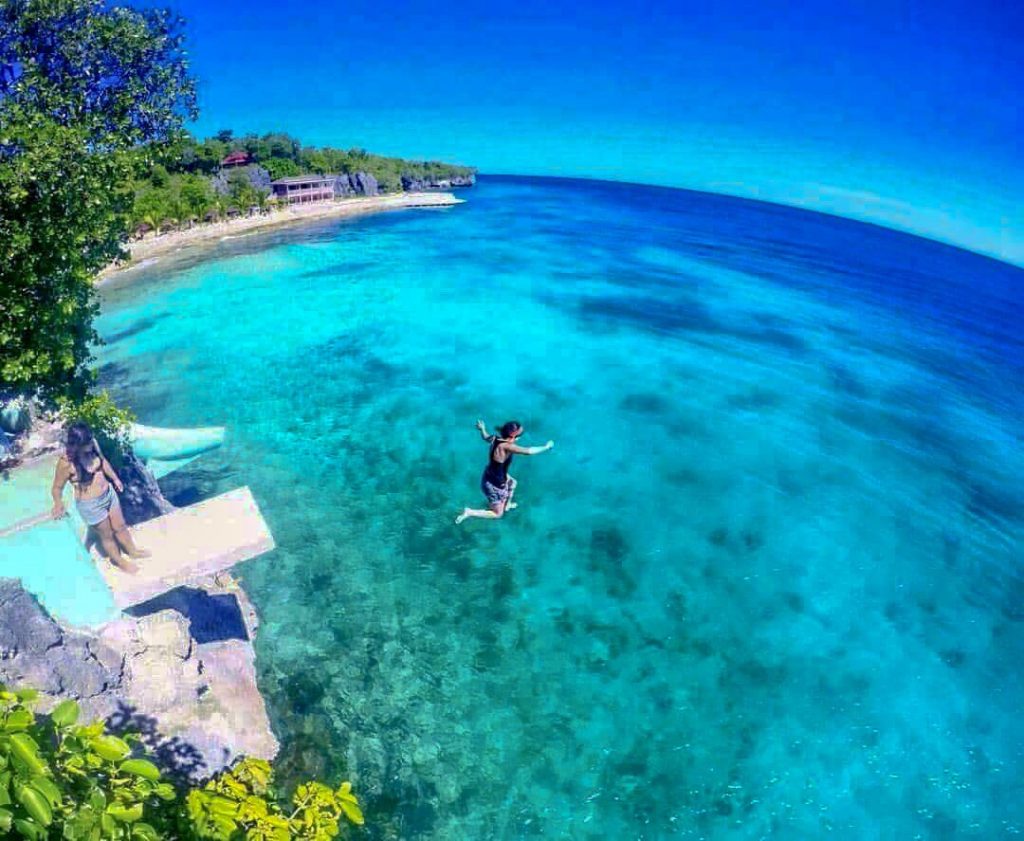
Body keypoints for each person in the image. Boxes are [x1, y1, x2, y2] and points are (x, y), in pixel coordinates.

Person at [51, 420, 149, 574]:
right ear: (76, 445)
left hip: (109, 494)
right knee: (107, 535)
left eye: (90, 439)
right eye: (86, 443)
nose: (90, 444)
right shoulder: (66, 463)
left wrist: (115, 479)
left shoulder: (93, 445)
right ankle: (120, 562)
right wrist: (58, 503)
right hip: (91, 504)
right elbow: (57, 487)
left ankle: (132, 551)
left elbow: (103, 463)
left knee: (121, 526)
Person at [455, 420, 554, 524]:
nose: (520, 438)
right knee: (498, 514)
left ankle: (508, 504)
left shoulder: (495, 439)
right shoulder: (507, 446)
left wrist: (482, 429)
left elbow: (485, 437)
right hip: (494, 484)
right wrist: (546, 447)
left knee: (513, 483)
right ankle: (470, 512)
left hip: (491, 474)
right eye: (520, 435)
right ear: (512, 437)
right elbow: (528, 451)